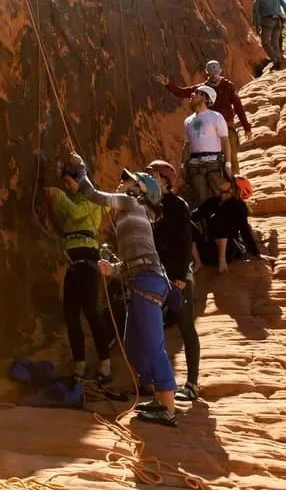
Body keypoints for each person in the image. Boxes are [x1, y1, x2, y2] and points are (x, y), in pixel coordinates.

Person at [67, 155, 179, 427]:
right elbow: (133, 261)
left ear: (138, 190)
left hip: (148, 282)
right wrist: (113, 269)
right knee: (132, 345)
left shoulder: (132, 203)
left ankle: (169, 407)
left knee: (153, 346)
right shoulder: (132, 213)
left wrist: (81, 168)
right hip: (142, 280)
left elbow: (94, 195)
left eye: (128, 180)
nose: (122, 182)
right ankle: (153, 395)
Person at [44, 160, 115, 387]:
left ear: (79, 179)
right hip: (73, 261)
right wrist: (55, 202)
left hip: (88, 261)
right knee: (71, 313)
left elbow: (75, 214)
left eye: (69, 182)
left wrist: (60, 198)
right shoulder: (72, 199)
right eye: (64, 183)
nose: (66, 186)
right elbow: (64, 222)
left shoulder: (92, 199)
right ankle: (80, 363)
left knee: (92, 313)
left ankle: (105, 363)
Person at [147, 160, 199, 403]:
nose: (150, 179)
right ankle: (160, 384)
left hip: (178, 277)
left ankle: (192, 384)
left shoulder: (178, 206)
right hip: (157, 274)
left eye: (153, 175)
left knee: (186, 326)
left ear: (165, 179)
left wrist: (179, 276)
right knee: (154, 328)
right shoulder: (150, 205)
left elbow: (184, 241)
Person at [159, 59, 251, 176]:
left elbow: (238, 107)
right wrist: (168, 84)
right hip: (208, 126)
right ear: (207, 73)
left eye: (216, 73)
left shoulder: (228, 86)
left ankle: (235, 181)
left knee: (231, 155)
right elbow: (182, 92)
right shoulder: (202, 89)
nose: (214, 76)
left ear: (220, 71)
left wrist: (246, 126)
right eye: (211, 73)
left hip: (227, 125)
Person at [192, 172, 263, 274]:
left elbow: (245, 231)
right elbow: (193, 215)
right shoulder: (213, 201)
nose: (223, 181)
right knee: (186, 223)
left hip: (228, 251)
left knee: (218, 218)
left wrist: (256, 253)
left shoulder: (238, 207)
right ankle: (198, 262)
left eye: (227, 181)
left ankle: (221, 260)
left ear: (234, 188)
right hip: (208, 250)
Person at [183, 85, 230, 203]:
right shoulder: (188, 121)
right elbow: (187, 144)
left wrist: (228, 164)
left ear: (204, 98)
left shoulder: (216, 117)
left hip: (213, 162)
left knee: (220, 198)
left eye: (196, 93)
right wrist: (182, 165)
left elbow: (225, 141)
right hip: (195, 164)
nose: (192, 95)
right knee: (201, 202)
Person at [252, 0, 286, 70]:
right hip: (279, 21)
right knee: (275, 42)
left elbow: (256, 14)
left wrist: (258, 27)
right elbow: (285, 6)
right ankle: (278, 59)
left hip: (268, 21)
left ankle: (275, 59)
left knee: (265, 42)